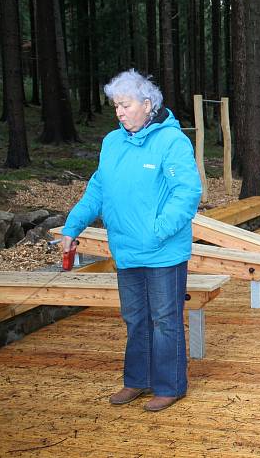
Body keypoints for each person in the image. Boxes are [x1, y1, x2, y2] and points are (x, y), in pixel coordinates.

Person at [61, 70, 202, 412]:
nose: (119, 112)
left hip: (162, 251)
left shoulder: (171, 141)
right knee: (135, 318)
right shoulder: (112, 143)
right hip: (126, 250)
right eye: (116, 106)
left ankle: (170, 386)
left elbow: (187, 193)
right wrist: (72, 227)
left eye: (125, 105)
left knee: (164, 321)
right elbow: (97, 189)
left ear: (147, 104)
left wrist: (157, 231)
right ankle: (138, 381)